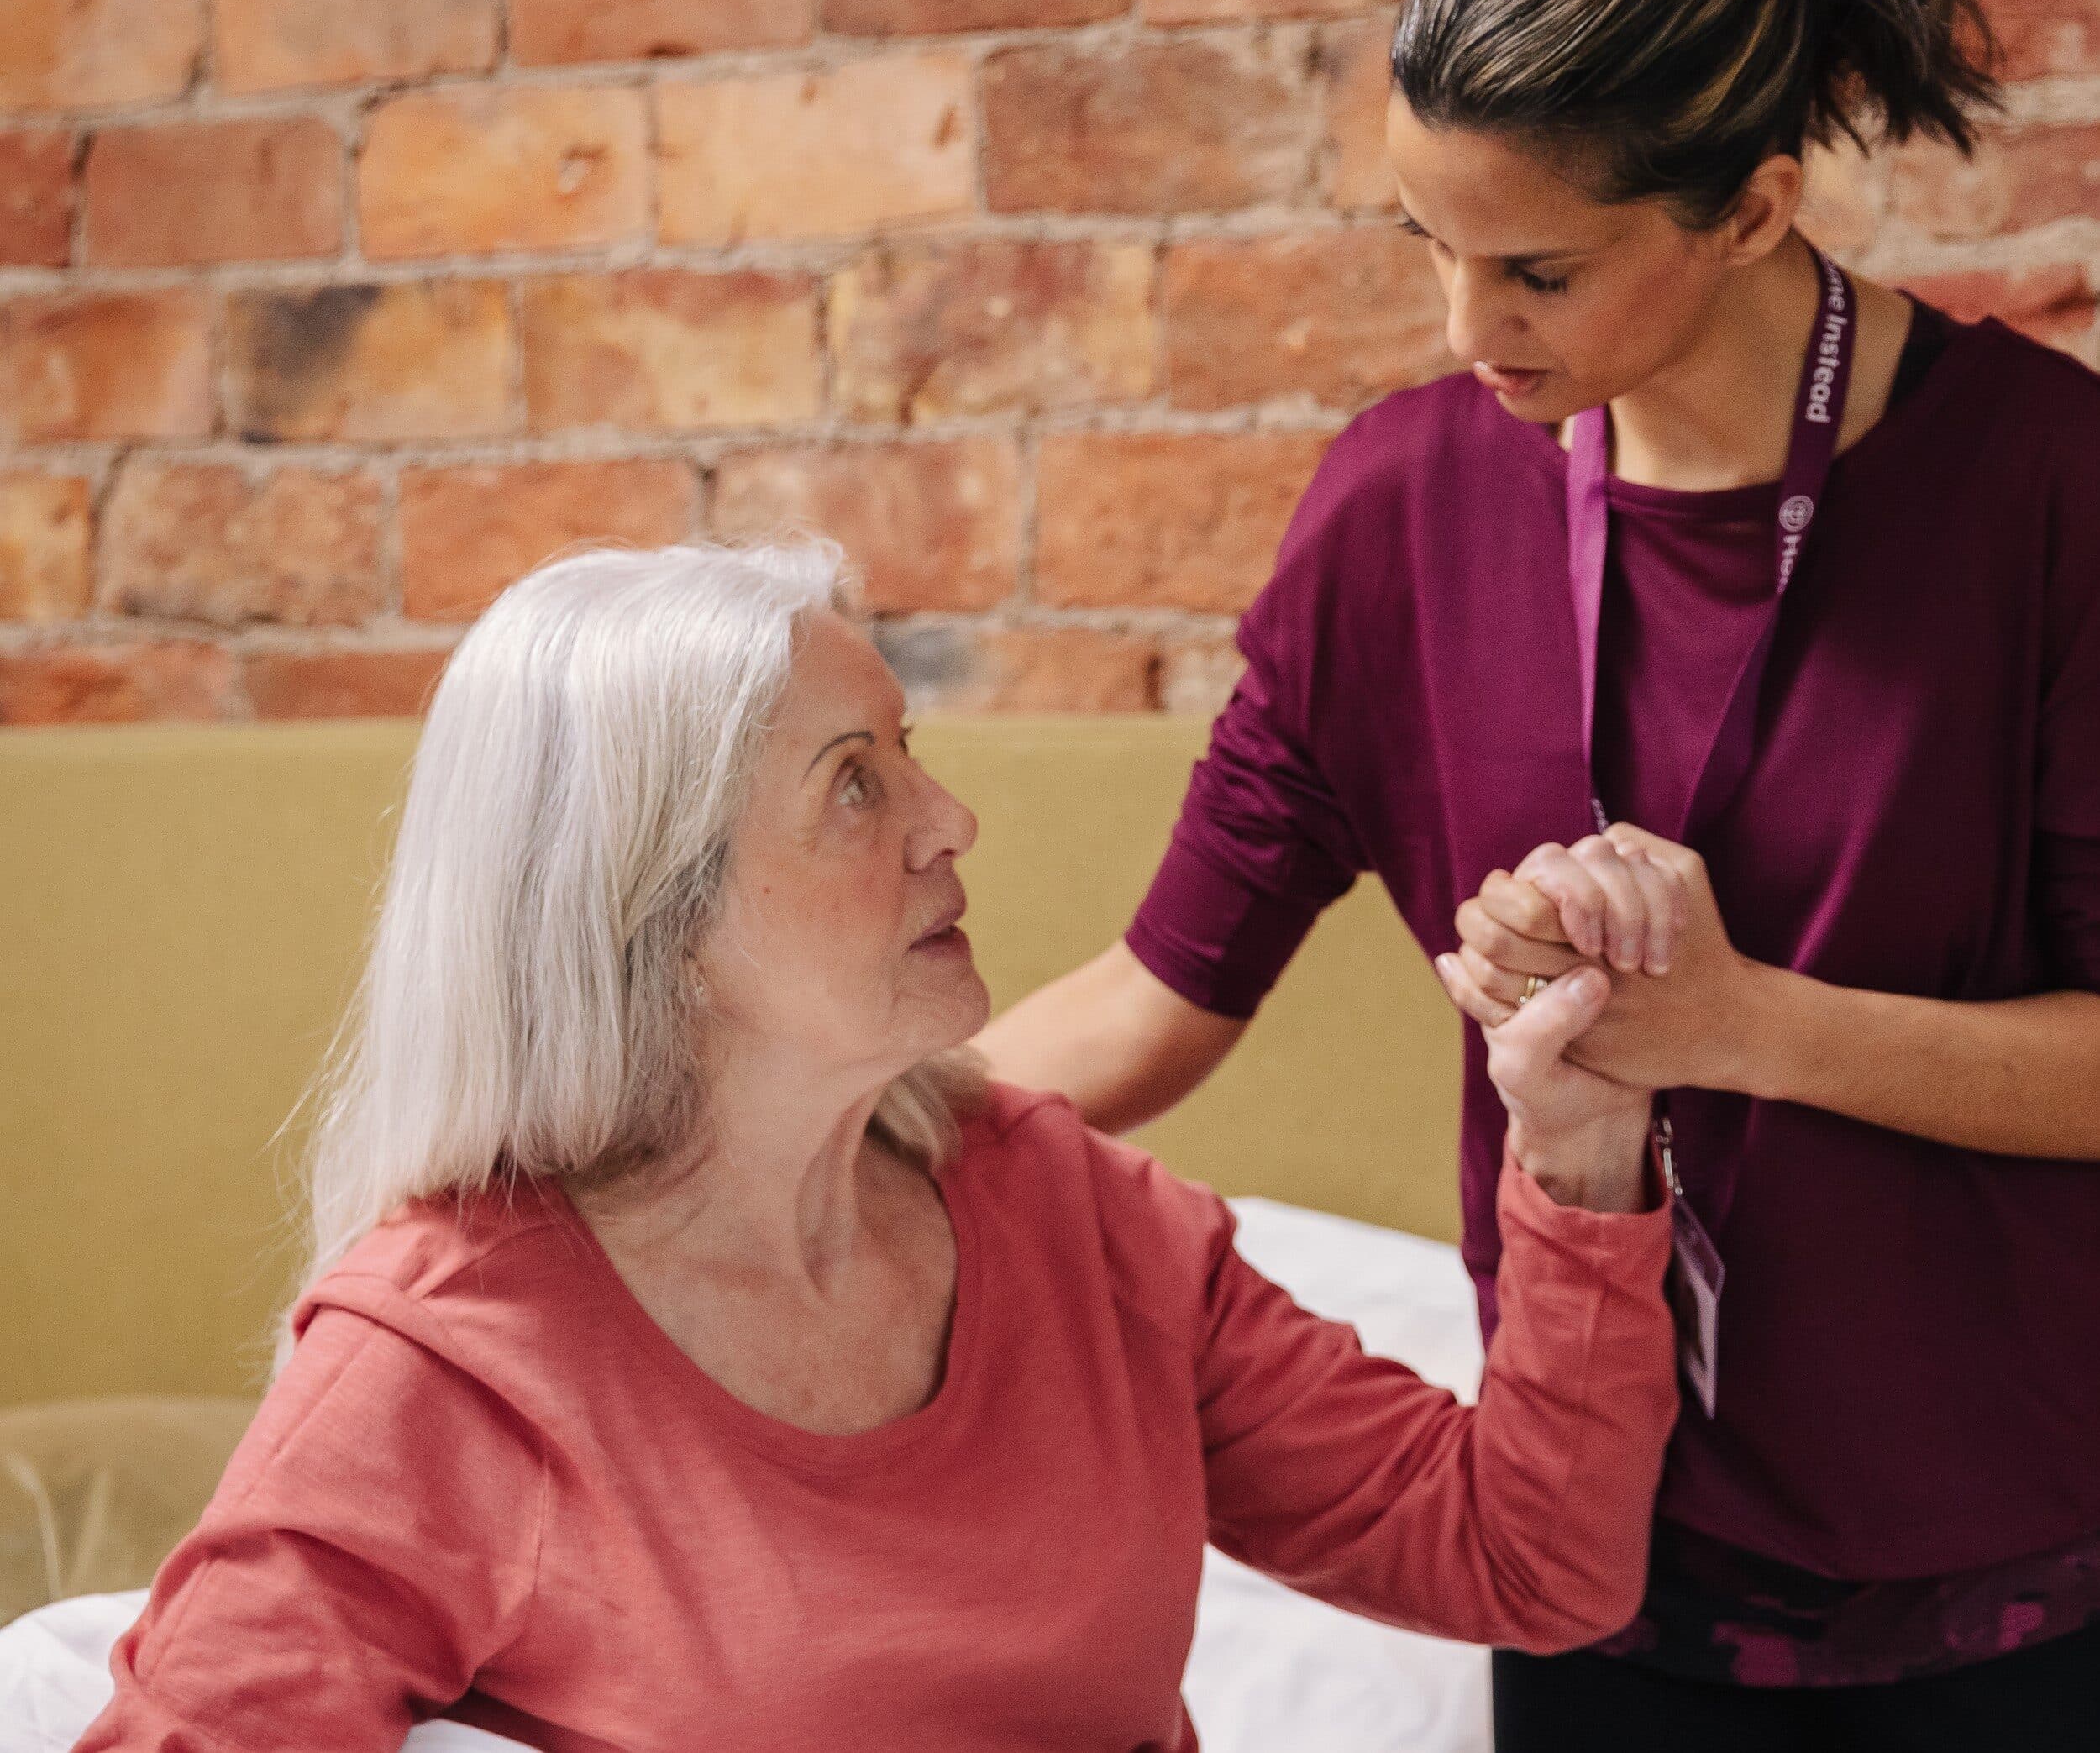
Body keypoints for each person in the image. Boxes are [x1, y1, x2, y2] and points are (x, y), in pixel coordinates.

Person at [980, 0, 2100, 1748]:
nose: (1463, 324)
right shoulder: (1395, 509)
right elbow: (1157, 998)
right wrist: (702, 1147)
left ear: (1753, 207)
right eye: (1425, 241)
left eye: (1537, 270)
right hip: (1585, 1580)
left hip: (2010, 1599)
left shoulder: (2044, 486)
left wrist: (1738, 1022)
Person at [73, 540, 1680, 1753]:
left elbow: (1525, 1565)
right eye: (857, 784)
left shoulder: (1068, 1209)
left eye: (909, 747)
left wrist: (1584, 1148)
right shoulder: (452, 1358)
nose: (949, 820)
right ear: (659, 911)